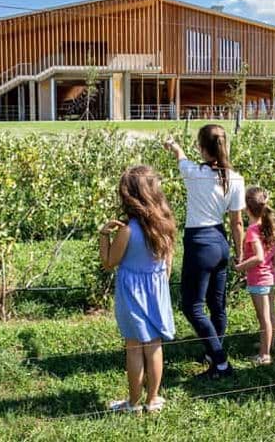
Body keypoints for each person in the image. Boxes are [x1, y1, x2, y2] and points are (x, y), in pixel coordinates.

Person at [164, 124, 245, 379]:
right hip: (221, 242)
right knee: (217, 305)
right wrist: (239, 253)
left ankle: (220, 362)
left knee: (192, 306)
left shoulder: (194, 172)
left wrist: (175, 147)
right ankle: (213, 352)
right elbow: (237, 222)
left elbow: (181, 158)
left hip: (199, 243)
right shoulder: (236, 178)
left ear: (201, 148)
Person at [100, 165, 177, 413]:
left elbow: (109, 262)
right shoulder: (165, 225)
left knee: (133, 346)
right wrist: (159, 281)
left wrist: (104, 235)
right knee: (154, 344)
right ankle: (153, 400)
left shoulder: (127, 231)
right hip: (157, 288)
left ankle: (133, 403)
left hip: (132, 292)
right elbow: (168, 262)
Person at [235, 187, 275, 365]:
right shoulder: (267, 227)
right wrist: (273, 270)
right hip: (269, 277)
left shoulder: (252, 230)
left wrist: (240, 267)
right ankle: (270, 343)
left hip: (258, 280)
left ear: (246, 209)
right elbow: (274, 254)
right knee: (271, 315)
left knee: (264, 318)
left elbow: (258, 257)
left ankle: (264, 354)